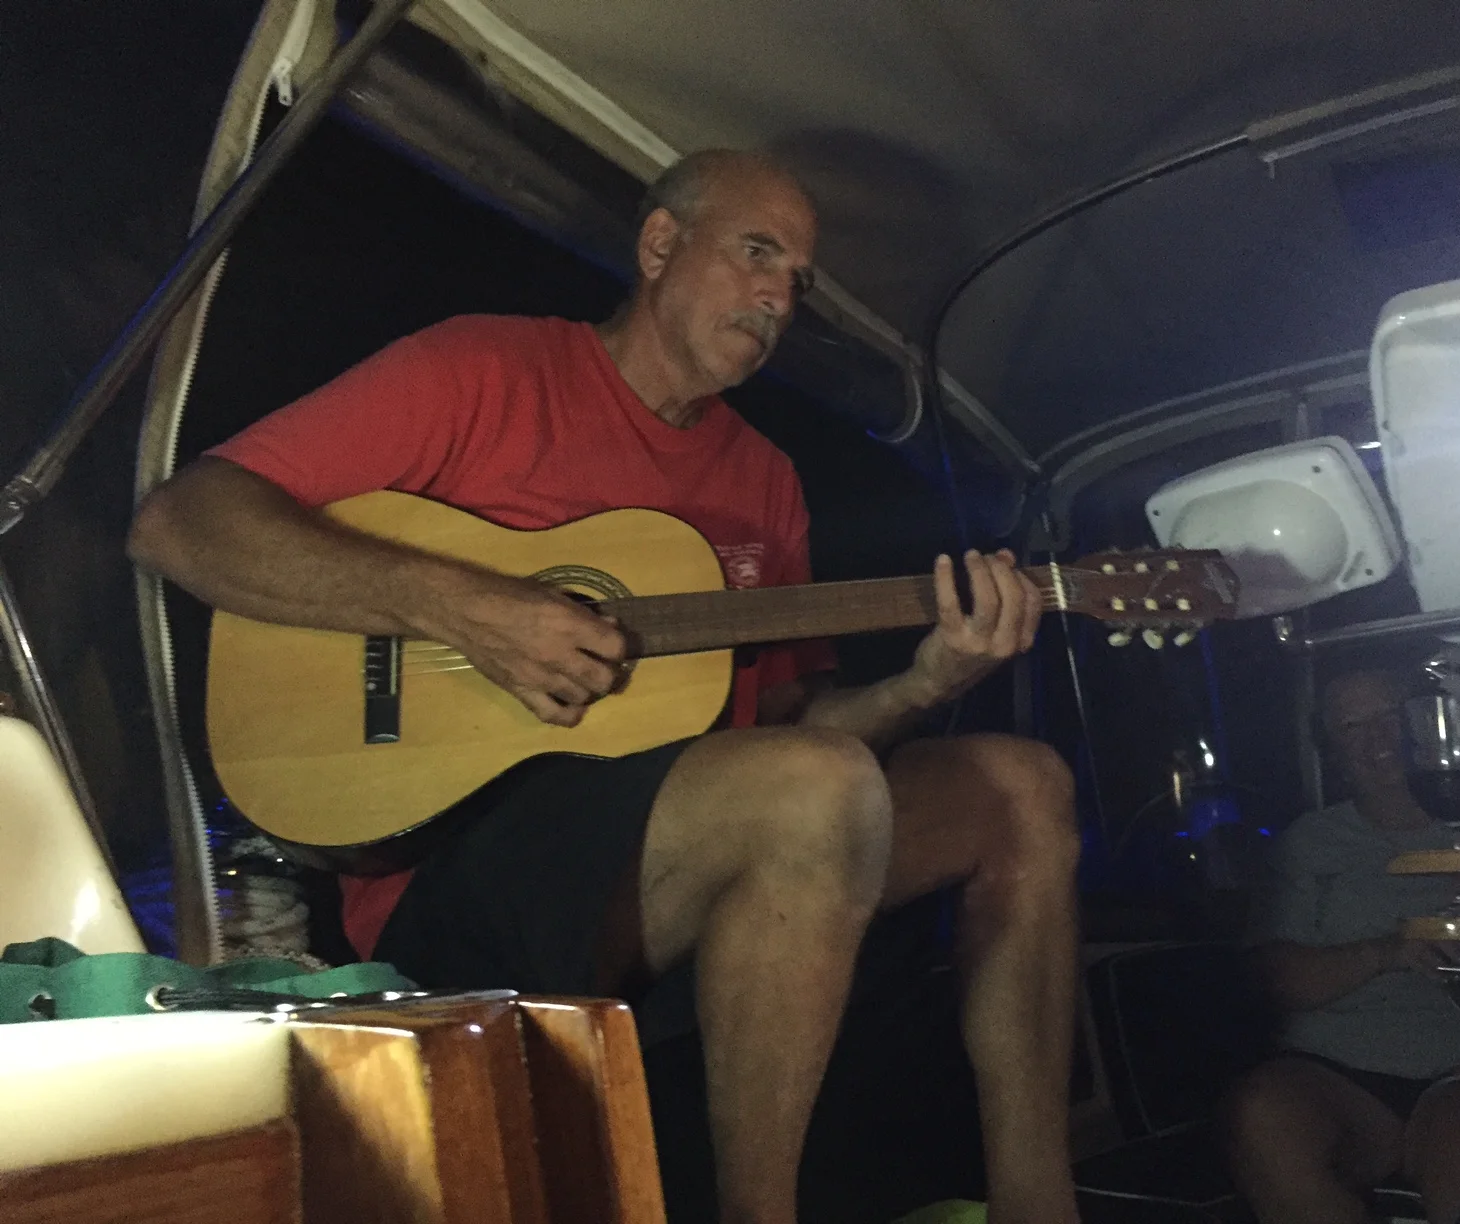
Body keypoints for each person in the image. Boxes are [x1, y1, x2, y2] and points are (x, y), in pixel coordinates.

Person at [127, 149, 1081, 1224]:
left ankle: (1040, 1204)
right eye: (758, 253)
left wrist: (925, 681)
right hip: (457, 873)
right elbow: (181, 522)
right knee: (811, 785)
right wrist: (466, 610)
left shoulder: (765, 480)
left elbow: (798, 730)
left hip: (690, 852)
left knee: (1021, 782)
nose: (779, 296)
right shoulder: (482, 371)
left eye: (799, 282)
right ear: (661, 244)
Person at [1223, 667, 1460, 1224]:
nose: (1376, 738)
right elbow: (1281, 979)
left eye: (1389, 718)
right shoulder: (1311, 842)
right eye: (1351, 726)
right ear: (1333, 751)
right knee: (1262, 1116)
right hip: (1342, 1070)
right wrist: (1392, 949)